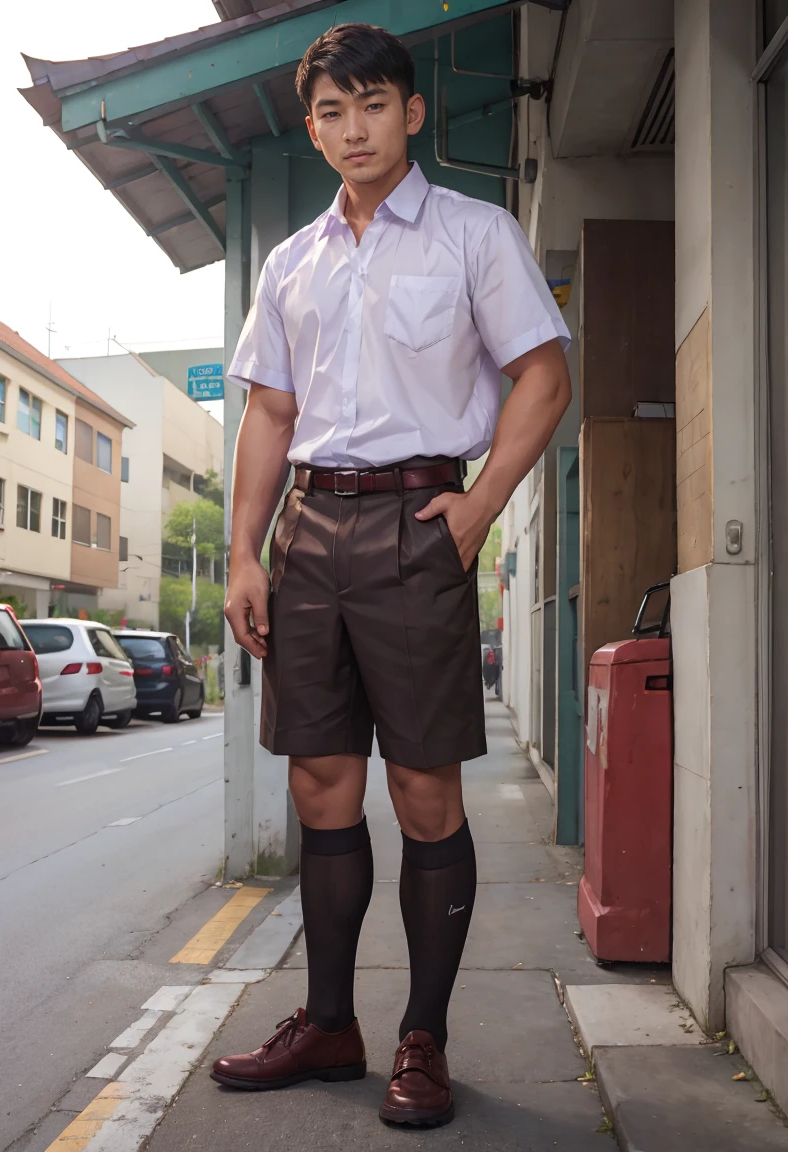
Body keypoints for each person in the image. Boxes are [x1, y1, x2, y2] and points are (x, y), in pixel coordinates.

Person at [212, 22, 571, 1128]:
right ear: (313, 128)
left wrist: (478, 509)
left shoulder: (474, 233)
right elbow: (269, 411)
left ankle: (425, 1036)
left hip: (421, 524)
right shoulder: (292, 263)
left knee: (422, 789)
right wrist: (243, 552)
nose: (352, 127)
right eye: (330, 111)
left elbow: (544, 374)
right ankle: (328, 1023)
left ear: (412, 113)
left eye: (372, 105)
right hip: (308, 532)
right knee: (320, 784)